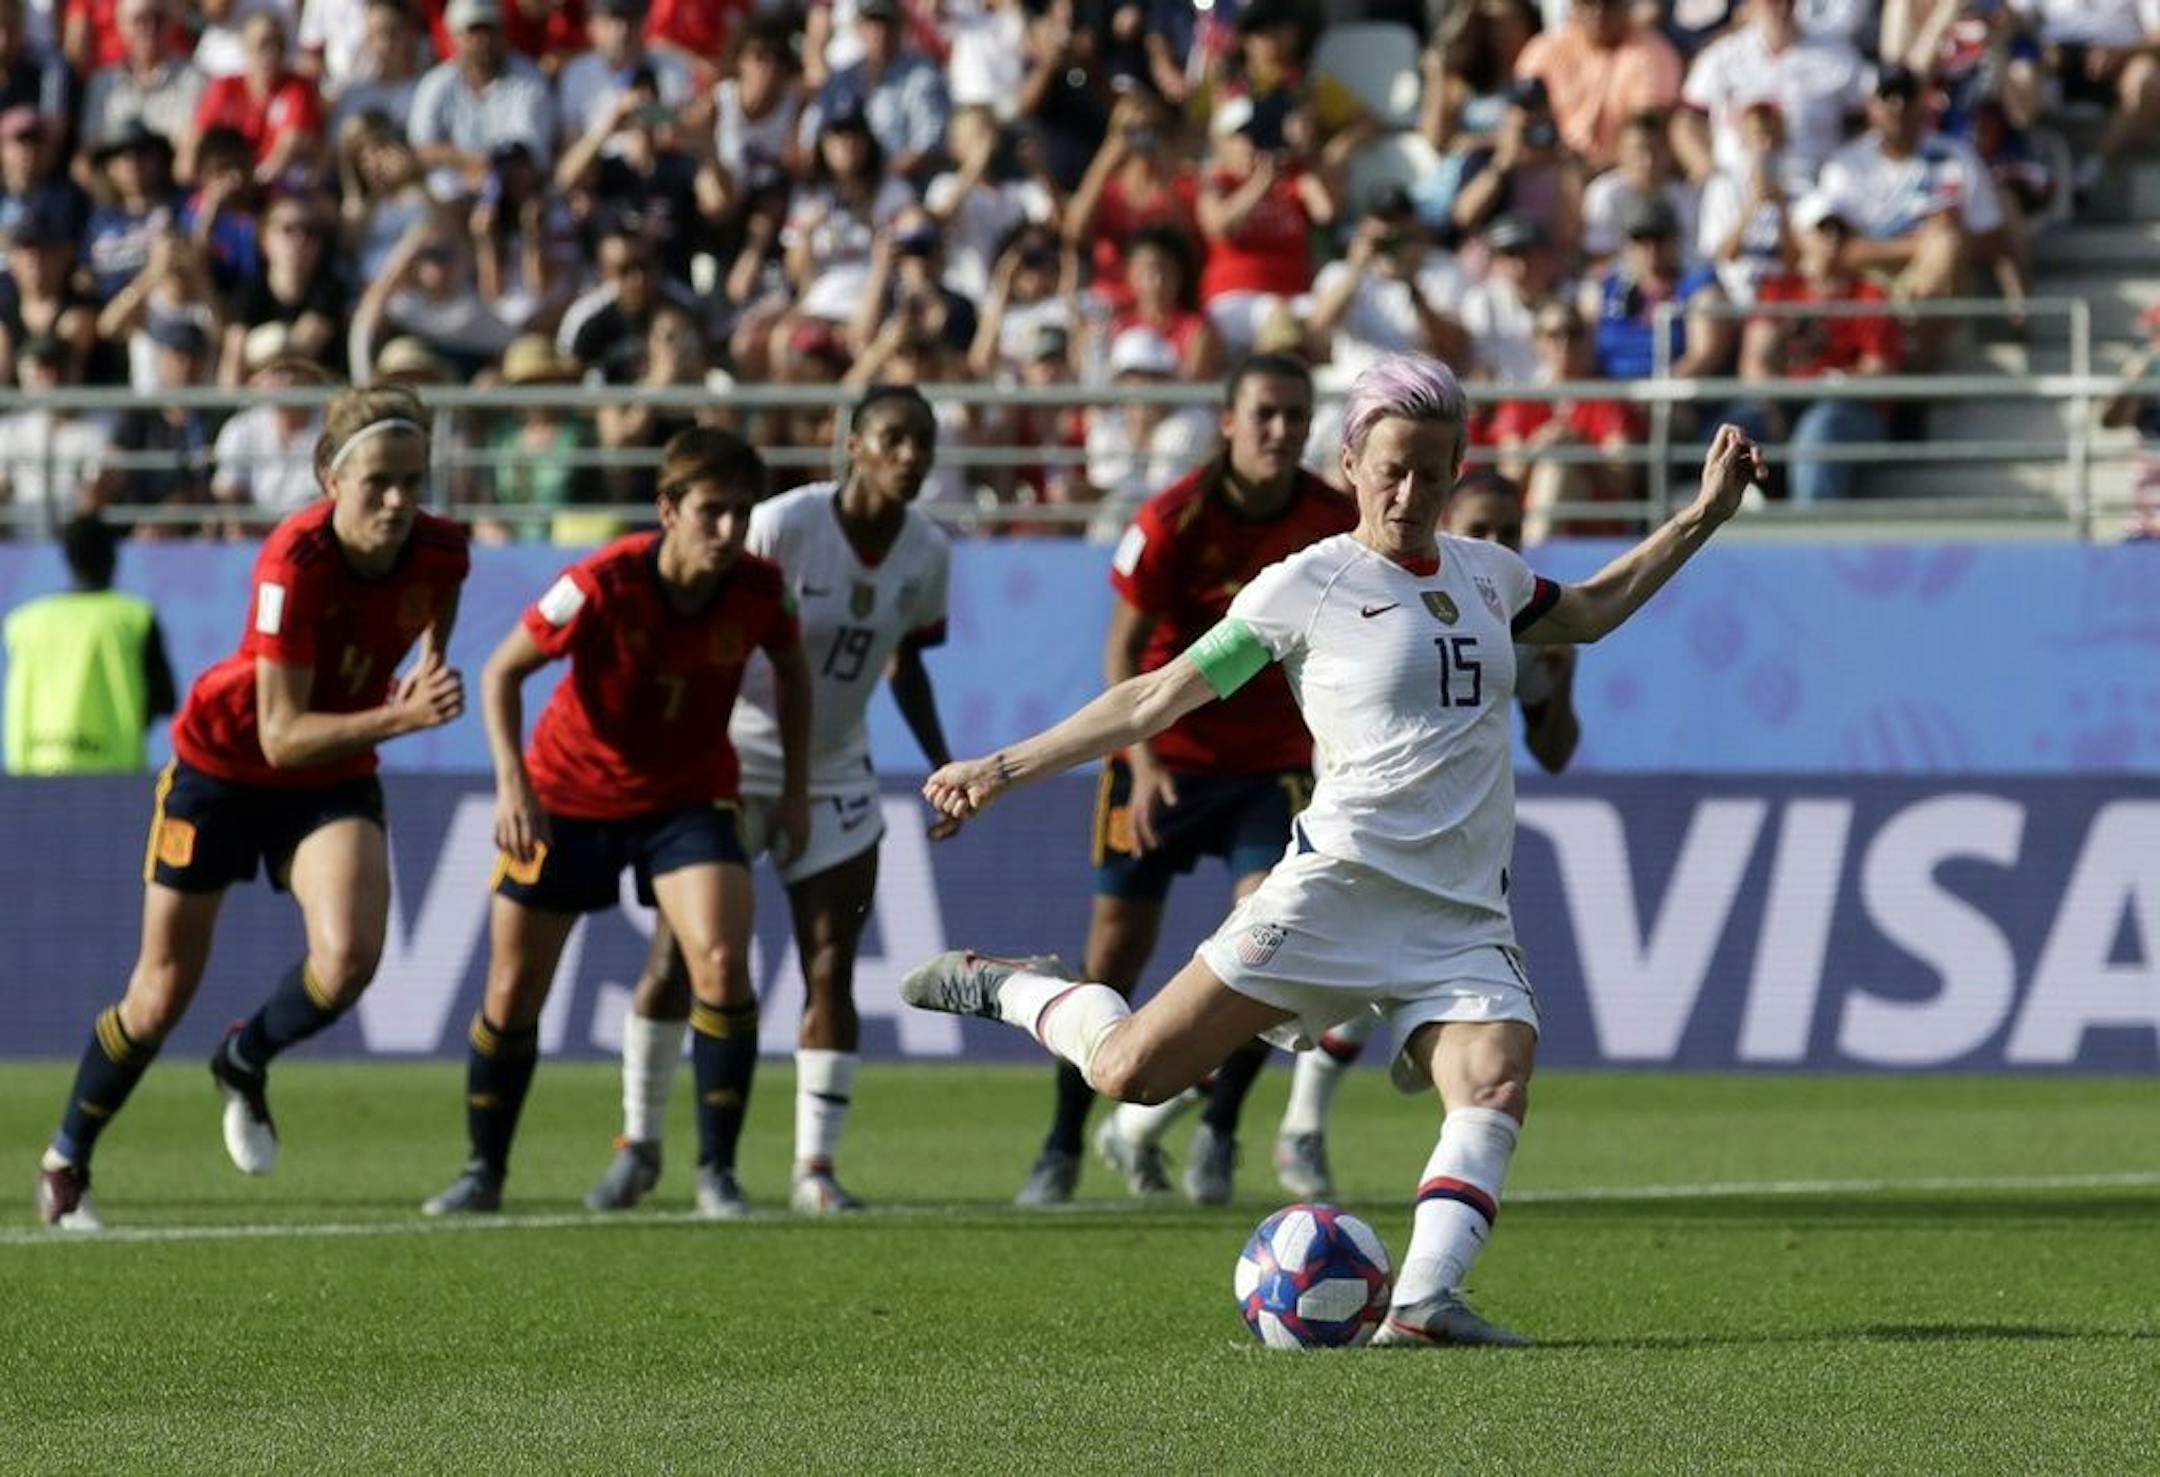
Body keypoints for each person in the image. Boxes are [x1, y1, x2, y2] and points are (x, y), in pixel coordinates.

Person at [904, 352, 1764, 1344]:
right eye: (1392, 467)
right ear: (1352, 460)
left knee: (1495, 1077)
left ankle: (1425, 1303)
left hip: (1460, 913)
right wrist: (999, 768)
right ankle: (1013, 984)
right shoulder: (1304, 585)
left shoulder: (1491, 577)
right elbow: (1151, 696)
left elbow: (1594, 613)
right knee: (1131, 1072)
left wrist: (1703, 515)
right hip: (1334, 890)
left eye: (1434, 473)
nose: (1411, 492)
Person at [33, 387, 470, 1231]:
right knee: (159, 995)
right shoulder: (293, 562)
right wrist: (402, 713)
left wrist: (436, 656)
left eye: (413, 480)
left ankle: (244, 1058)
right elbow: (279, 735)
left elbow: (443, 586)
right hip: (225, 766)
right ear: (328, 478)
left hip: (332, 773)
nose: (398, 500)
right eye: (378, 480)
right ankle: (67, 1161)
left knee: (349, 961)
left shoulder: (441, 548)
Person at [587, 387, 960, 1217]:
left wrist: (945, 764)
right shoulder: (785, 523)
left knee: (830, 964)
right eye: (894, 438)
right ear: (852, 444)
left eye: (923, 442)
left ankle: (815, 1169)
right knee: (680, 962)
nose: (911, 455)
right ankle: (640, 1144)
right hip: (725, 758)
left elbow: (906, 661)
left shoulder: (930, 551)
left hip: (834, 766)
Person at [422, 427, 808, 1219]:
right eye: (712, 511)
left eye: (742, 512)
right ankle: (482, 1171)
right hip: (567, 796)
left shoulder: (761, 589)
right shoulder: (601, 580)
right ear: (668, 509)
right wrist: (512, 785)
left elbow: (795, 674)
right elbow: (501, 670)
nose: (729, 530)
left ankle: (718, 1173)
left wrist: (796, 786)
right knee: (512, 987)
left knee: (724, 958)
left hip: (689, 798)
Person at [1013, 352, 1356, 1210]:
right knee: (1113, 955)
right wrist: (1144, 761)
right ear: (1228, 422)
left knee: (1266, 945)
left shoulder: (1329, 519)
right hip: (1162, 766)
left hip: (1269, 768)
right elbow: (1124, 651)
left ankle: (1218, 1131)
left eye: (1294, 414)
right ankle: (1060, 1144)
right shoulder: (1175, 517)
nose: (1280, 430)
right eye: (1264, 414)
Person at [1269, 469, 1581, 1199]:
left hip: (1450, 856)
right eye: (1483, 526)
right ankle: (1160, 1126)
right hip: (1354, 846)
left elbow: (1557, 750)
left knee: (1371, 1004)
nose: (1500, 543)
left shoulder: (1518, 620)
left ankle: (1299, 1132)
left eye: (1512, 530)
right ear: (1446, 520)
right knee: (1256, 1017)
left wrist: (1561, 679)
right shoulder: (1374, 593)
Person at [3, 512, 175, 774]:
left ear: (68, 558)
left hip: (34, 774)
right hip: (115, 776)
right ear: (112, 557)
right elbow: (165, 699)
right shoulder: (134, 617)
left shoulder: (24, 622)